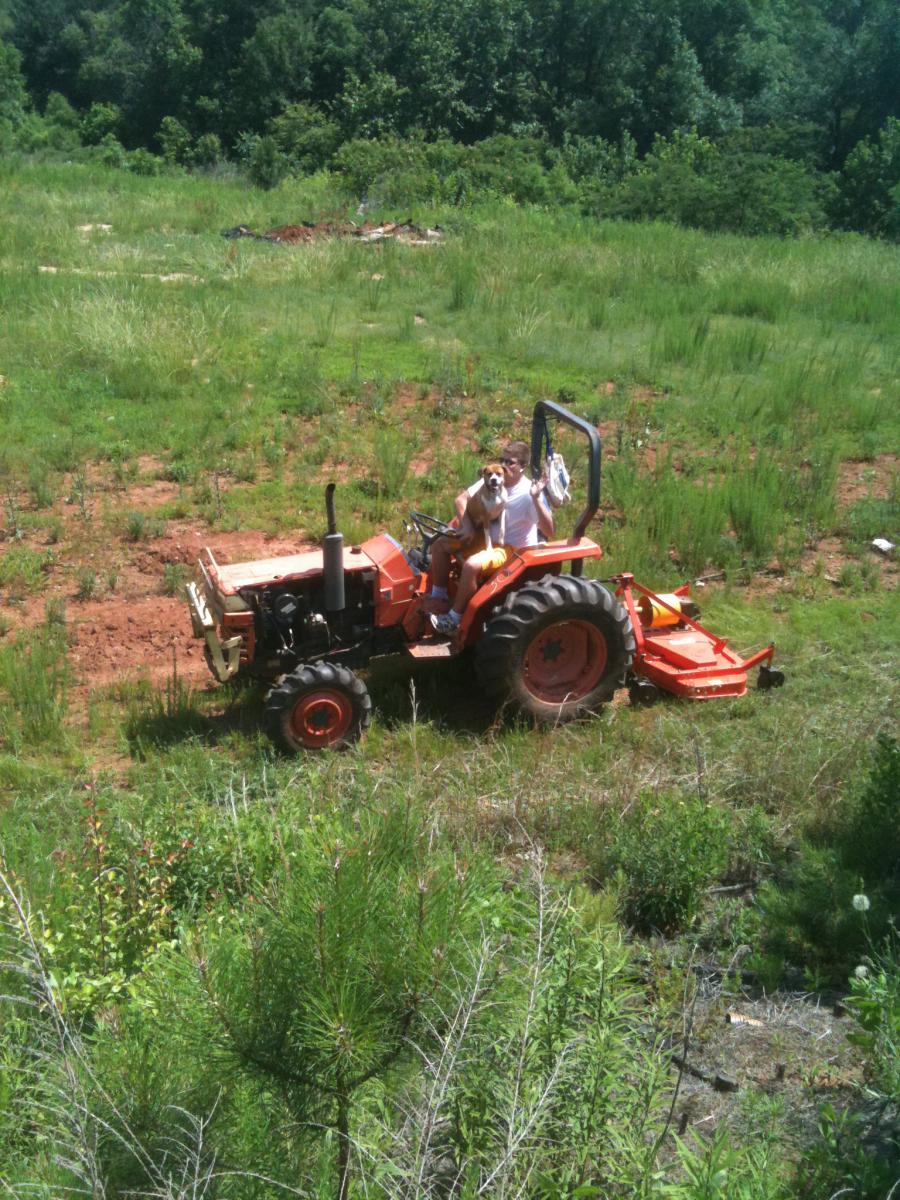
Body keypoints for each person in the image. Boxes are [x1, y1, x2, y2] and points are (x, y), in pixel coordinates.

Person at [428, 440, 554, 637]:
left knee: (471, 565)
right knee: (439, 545)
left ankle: (454, 619)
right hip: (482, 537)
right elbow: (461, 499)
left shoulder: (529, 493)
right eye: (502, 460)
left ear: (522, 467)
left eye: (510, 462)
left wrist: (537, 499)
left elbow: (549, 529)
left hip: (509, 548)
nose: (503, 466)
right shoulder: (492, 480)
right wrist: (467, 525)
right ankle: (438, 598)